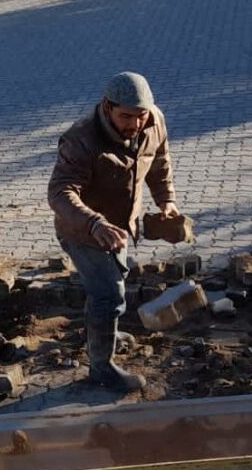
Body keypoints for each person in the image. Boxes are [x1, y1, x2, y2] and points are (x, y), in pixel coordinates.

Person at [47, 72, 180, 391]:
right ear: (108, 107)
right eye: (126, 117)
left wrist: (167, 201)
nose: (135, 124)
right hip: (82, 231)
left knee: (109, 288)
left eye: (141, 115)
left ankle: (104, 332)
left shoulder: (154, 121)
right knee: (109, 294)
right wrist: (94, 223)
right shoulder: (81, 139)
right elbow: (60, 192)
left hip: (120, 227)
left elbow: (158, 161)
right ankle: (101, 368)